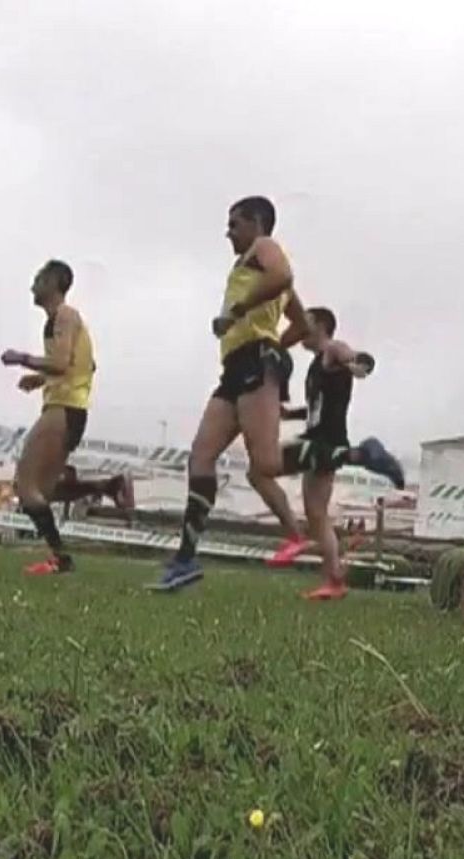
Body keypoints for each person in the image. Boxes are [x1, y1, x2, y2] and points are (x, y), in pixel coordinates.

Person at [148, 195, 314, 592]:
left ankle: (335, 455)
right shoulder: (251, 268)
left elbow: (283, 276)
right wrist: (272, 337)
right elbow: (304, 323)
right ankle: (186, 559)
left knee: (264, 465)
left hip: (257, 362)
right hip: (237, 367)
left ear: (256, 223)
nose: (228, 233)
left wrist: (241, 315)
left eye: (234, 223)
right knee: (201, 456)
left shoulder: (264, 248)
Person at [271, 306, 405, 600]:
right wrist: (291, 414)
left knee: (265, 464)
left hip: (325, 441)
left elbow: (352, 356)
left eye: (304, 323)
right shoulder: (316, 365)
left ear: (320, 326)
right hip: (319, 437)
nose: (298, 330)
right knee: (316, 514)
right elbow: (319, 407)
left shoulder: (332, 349)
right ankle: (334, 581)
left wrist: (360, 364)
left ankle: (361, 455)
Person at [0, 259, 97, 575]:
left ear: (53, 283)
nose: (32, 286)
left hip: (64, 408)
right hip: (70, 408)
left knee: (26, 486)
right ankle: (107, 487)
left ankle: (61, 557)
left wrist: (22, 359)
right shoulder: (64, 321)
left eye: (38, 280)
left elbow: (60, 363)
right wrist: (41, 379)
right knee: (42, 491)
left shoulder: (65, 316)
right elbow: (84, 365)